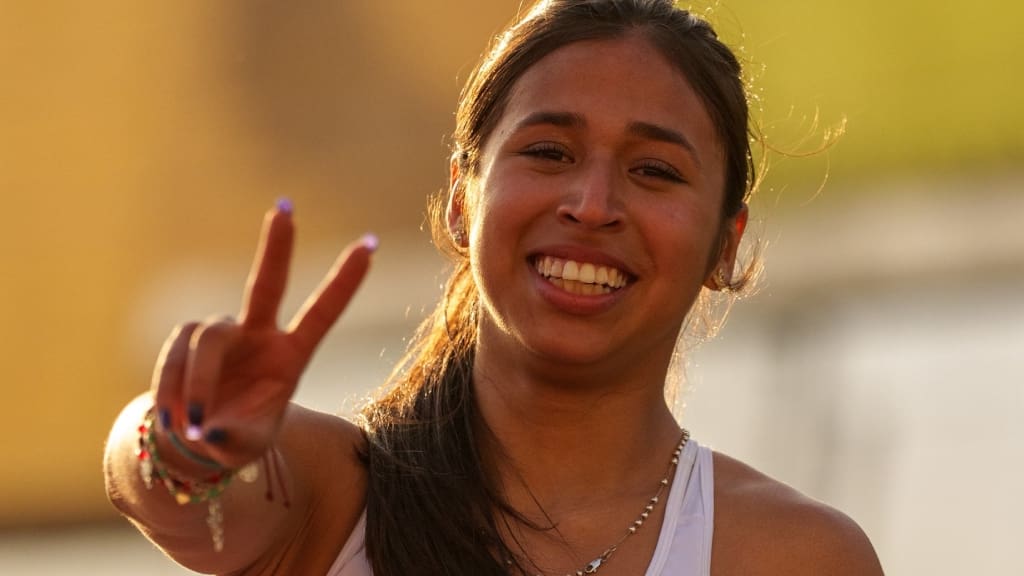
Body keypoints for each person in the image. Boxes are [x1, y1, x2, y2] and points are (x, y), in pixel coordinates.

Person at [104, 1, 884, 574]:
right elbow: (157, 485)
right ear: (460, 198)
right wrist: (183, 443)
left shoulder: (793, 555)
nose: (592, 205)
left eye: (654, 171)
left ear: (726, 242)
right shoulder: (336, 498)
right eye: (548, 152)